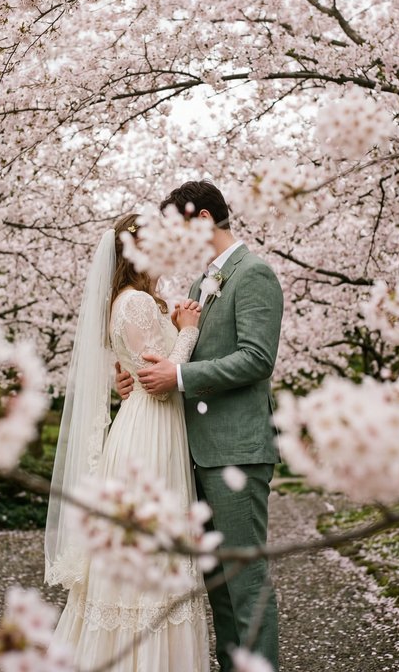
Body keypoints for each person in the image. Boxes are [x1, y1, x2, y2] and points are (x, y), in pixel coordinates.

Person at [116, 180, 284, 672]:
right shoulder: (198, 286)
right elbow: (179, 355)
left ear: (204, 219)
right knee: (218, 589)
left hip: (236, 451)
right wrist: (138, 376)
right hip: (193, 453)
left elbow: (257, 358)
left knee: (246, 583)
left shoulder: (253, 274)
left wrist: (179, 376)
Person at [45, 213, 210, 671]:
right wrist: (188, 329)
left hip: (143, 422)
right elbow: (157, 377)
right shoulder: (135, 302)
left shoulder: (126, 301)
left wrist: (168, 328)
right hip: (150, 429)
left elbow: (137, 369)